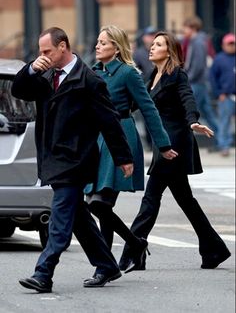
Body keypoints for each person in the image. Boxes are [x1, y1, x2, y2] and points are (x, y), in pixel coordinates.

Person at [12, 26, 135, 292]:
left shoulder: (89, 80)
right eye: (40, 51)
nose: (42, 55)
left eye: (47, 51)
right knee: (78, 215)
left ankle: (43, 272)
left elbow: (110, 121)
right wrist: (32, 67)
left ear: (63, 46)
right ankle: (107, 265)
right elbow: (19, 91)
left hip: (76, 159)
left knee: (60, 215)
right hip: (52, 155)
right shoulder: (45, 74)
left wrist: (123, 157)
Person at [119, 31, 231, 272]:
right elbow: (138, 104)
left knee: (151, 198)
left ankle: (132, 251)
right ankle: (215, 249)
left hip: (174, 144)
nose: (151, 47)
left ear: (169, 52)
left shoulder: (177, 74)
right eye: (153, 43)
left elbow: (187, 98)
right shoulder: (152, 76)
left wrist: (193, 121)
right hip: (164, 142)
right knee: (185, 201)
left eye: (158, 44)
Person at [84, 25, 177, 271]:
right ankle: (129, 248)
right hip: (96, 141)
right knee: (98, 204)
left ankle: (115, 259)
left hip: (120, 138)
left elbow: (148, 108)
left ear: (116, 46)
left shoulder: (128, 73)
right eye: (98, 41)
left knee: (99, 203)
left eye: (103, 42)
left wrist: (163, 143)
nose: (97, 46)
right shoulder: (92, 72)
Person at [182, 16, 219, 151]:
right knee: (207, 112)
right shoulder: (196, 41)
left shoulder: (197, 42)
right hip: (199, 82)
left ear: (192, 28)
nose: (183, 31)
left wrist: (188, 78)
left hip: (196, 82)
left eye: (185, 28)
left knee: (188, 112)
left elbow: (197, 65)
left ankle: (219, 141)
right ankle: (219, 141)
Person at [209, 33, 236, 157]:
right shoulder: (219, 59)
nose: (232, 46)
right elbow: (213, 78)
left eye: (233, 44)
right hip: (226, 96)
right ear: (223, 45)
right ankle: (224, 146)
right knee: (224, 122)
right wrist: (219, 93)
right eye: (229, 44)